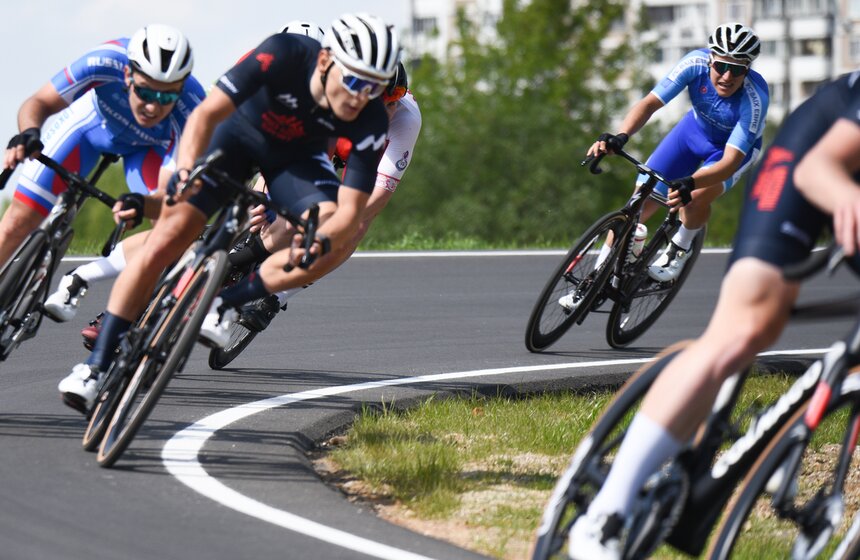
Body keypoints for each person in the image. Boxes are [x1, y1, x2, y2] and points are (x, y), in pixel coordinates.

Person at [567, 69, 860, 560]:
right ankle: (606, 514)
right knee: (746, 328)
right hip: (814, 164)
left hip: (733, 158)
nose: (723, 72)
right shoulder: (708, 73)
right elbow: (817, 171)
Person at [57, 13, 401, 414]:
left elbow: (350, 209)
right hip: (237, 138)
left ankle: (230, 301)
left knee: (331, 241)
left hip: (296, 162)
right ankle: (95, 365)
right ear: (325, 61)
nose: (362, 96)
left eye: (375, 87)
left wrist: (320, 241)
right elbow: (205, 116)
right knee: (172, 234)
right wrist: (185, 172)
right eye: (356, 81)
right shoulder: (283, 53)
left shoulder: (372, 117)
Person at [44, 21, 328, 329]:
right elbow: (214, 124)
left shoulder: (325, 95)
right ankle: (117, 305)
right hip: (233, 140)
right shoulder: (257, 64)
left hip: (283, 157)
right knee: (184, 225)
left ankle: (235, 286)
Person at [0, 24, 204, 323]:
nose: (151, 106)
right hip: (92, 128)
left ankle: (122, 318)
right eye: (145, 91)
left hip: (151, 150)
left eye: (165, 98)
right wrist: (29, 133)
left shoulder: (192, 109)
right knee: (18, 221)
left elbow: (167, 195)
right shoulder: (106, 59)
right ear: (127, 75)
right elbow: (40, 102)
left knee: (169, 228)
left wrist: (141, 203)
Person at [232, 59, 421, 332]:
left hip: (365, 158)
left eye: (394, 101)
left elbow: (377, 197)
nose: (390, 111)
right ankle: (242, 240)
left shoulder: (406, 119)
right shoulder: (328, 95)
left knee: (353, 229)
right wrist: (263, 190)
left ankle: (274, 298)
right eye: (380, 103)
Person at [577, 22, 767, 296]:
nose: (727, 76)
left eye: (737, 69)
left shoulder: (755, 99)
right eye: (721, 66)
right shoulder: (694, 63)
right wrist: (620, 136)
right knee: (639, 201)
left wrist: (691, 181)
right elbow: (649, 103)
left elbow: (729, 163)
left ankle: (679, 249)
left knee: (697, 196)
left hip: (731, 152)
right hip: (693, 132)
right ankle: (594, 278)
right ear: (710, 59)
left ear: (747, 70)